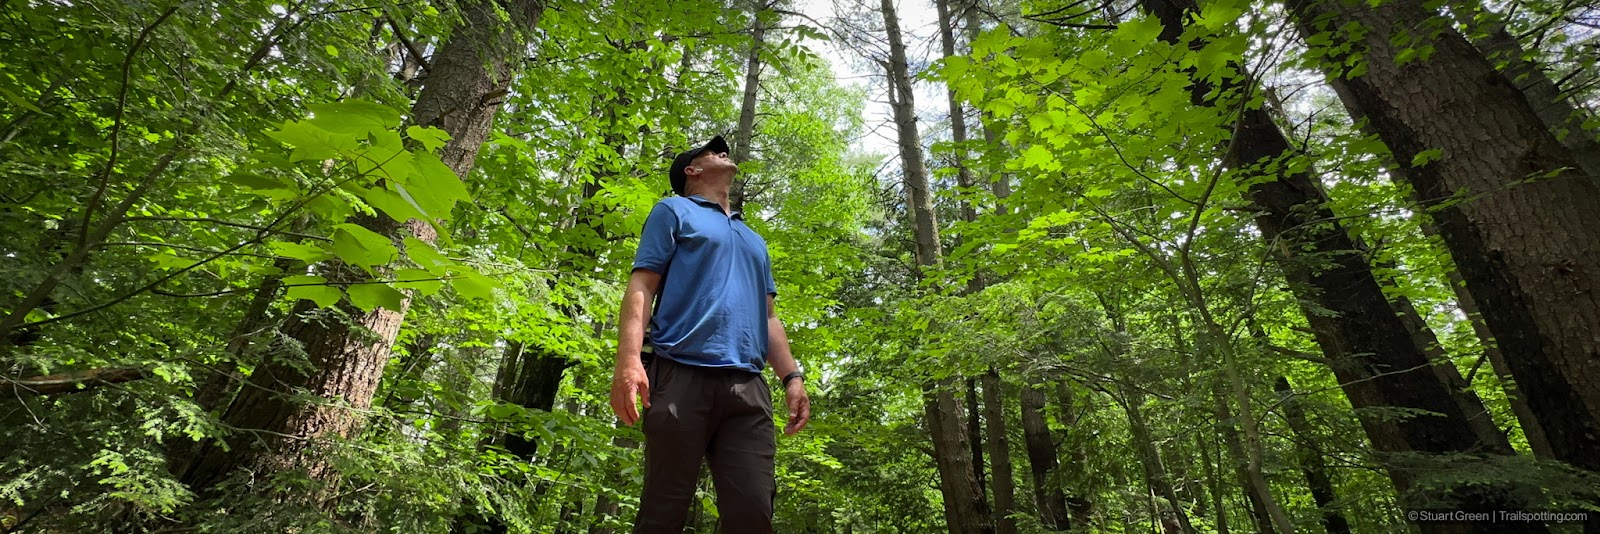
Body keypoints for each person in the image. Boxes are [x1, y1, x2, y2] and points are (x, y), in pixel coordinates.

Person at [609, 135, 811, 533]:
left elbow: (769, 318)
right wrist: (629, 360)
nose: (724, 151)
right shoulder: (674, 210)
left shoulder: (754, 239)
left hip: (749, 389)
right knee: (664, 510)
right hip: (679, 376)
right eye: (712, 151)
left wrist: (792, 377)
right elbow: (643, 285)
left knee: (753, 513)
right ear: (692, 170)